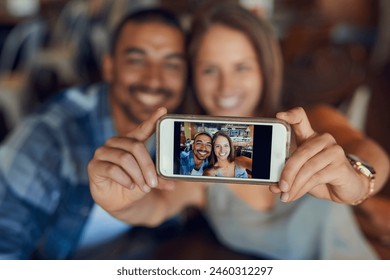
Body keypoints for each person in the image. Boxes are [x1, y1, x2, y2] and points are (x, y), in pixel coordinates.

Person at [88, 2, 390, 259]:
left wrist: (357, 180)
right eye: (210, 69)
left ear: (264, 69)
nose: (226, 87)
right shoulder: (200, 166)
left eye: (242, 67)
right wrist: (116, 205)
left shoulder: (309, 123)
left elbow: (368, 151)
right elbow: (155, 206)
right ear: (194, 75)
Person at [0, 8, 187, 259]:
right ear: (109, 67)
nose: (154, 79)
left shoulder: (183, 133)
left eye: (172, 64)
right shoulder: (48, 139)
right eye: (137, 60)